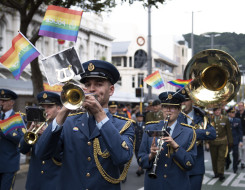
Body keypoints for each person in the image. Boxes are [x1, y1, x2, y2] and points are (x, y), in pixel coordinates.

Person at [36, 60, 135, 190]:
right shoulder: (68, 122)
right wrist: (64, 111)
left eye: (99, 84)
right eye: (87, 85)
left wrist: (99, 113)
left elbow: (122, 157)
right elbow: (42, 153)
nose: (92, 89)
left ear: (111, 90)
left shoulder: (124, 125)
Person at [138, 91, 197, 190]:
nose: (168, 110)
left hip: (177, 185)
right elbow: (140, 160)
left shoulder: (189, 132)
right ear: (162, 109)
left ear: (179, 110)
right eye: (165, 107)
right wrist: (151, 155)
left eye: (173, 107)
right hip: (154, 185)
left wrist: (176, 146)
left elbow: (190, 163)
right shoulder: (150, 127)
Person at [19, 91, 62, 190]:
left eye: (50, 107)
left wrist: (48, 134)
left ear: (59, 108)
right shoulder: (36, 125)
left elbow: (61, 155)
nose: (45, 110)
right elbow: (22, 149)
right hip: (34, 181)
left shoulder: (65, 127)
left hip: (53, 182)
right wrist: (29, 131)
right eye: (42, 107)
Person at [178, 89, 216, 190]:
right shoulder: (176, 116)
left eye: (185, 100)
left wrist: (192, 133)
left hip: (196, 165)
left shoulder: (202, 115)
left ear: (192, 101)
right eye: (181, 101)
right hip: (178, 164)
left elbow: (212, 134)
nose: (183, 104)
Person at [0, 89, 25, 190]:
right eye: (0, 100)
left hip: (9, 164)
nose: (1, 103)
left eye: (4, 100)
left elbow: (21, 139)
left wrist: (2, 128)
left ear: (12, 102)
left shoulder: (17, 118)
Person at [209, 107, 233, 181]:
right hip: (212, 142)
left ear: (221, 111)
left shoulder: (225, 119)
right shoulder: (210, 119)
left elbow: (228, 131)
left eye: (218, 110)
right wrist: (206, 142)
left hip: (223, 141)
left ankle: (221, 173)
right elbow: (206, 131)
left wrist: (230, 141)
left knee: (221, 158)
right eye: (216, 110)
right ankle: (216, 173)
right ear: (213, 111)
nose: (217, 112)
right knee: (214, 158)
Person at [226, 107, 243, 173]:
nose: (234, 113)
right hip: (227, 140)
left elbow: (240, 131)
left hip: (235, 140)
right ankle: (228, 162)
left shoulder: (238, 120)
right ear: (229, 113)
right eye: (232, 112)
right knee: (226, 154)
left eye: (234, 112)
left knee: (235, 154)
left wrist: (241, 141)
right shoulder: (225, 120)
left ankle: (235, 168)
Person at [134, 112, 145, 176]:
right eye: (139, 117)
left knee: (142, 156)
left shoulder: (145, 124)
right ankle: (140, 166)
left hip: (143, 144)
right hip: (136, 144)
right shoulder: (134, 124)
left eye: (142, 117)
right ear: (137, 117)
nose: (141, 118)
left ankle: (140, 168)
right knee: (137, 156)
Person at [235, 102, 245, 169]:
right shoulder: (236, 114)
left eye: (241, 105)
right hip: (238, 134)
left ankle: (243, 162)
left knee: (244, 149)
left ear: (243, 106)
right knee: (238, 148)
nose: (240, 107)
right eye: (239, 106)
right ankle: (238, 158)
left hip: (244, 134)